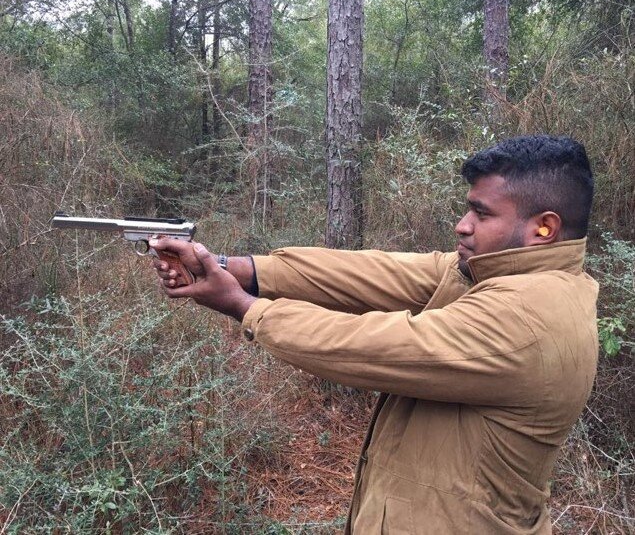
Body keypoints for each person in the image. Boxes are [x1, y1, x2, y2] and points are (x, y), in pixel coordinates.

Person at [151, 135, 598, 534]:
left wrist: (243, 307)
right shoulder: (500, 275)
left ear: (544, 228)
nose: (462, 225)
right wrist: (232, 266)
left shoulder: (525, 317)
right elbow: (371, 272)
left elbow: (370, 344)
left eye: (481, 213)